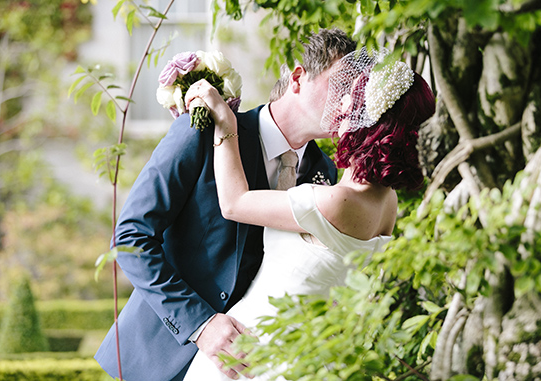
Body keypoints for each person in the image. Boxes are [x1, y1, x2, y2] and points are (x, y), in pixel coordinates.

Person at [94, 28, 356, 381]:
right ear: (298, 78)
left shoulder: (324, 172)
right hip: (161, 358)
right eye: (339, 86)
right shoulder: (202, 129)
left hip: (249, 366)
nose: (346, 104)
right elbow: (130, 238)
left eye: (354, 94)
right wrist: (201, 324)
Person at [180, 48, 436, 380]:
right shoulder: (387, 202)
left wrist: (225, 125)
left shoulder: (333, 201)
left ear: (371, 121)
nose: (341, 104)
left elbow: (233, 203)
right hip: (308, 362)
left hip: (249, 354)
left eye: (352, 99)